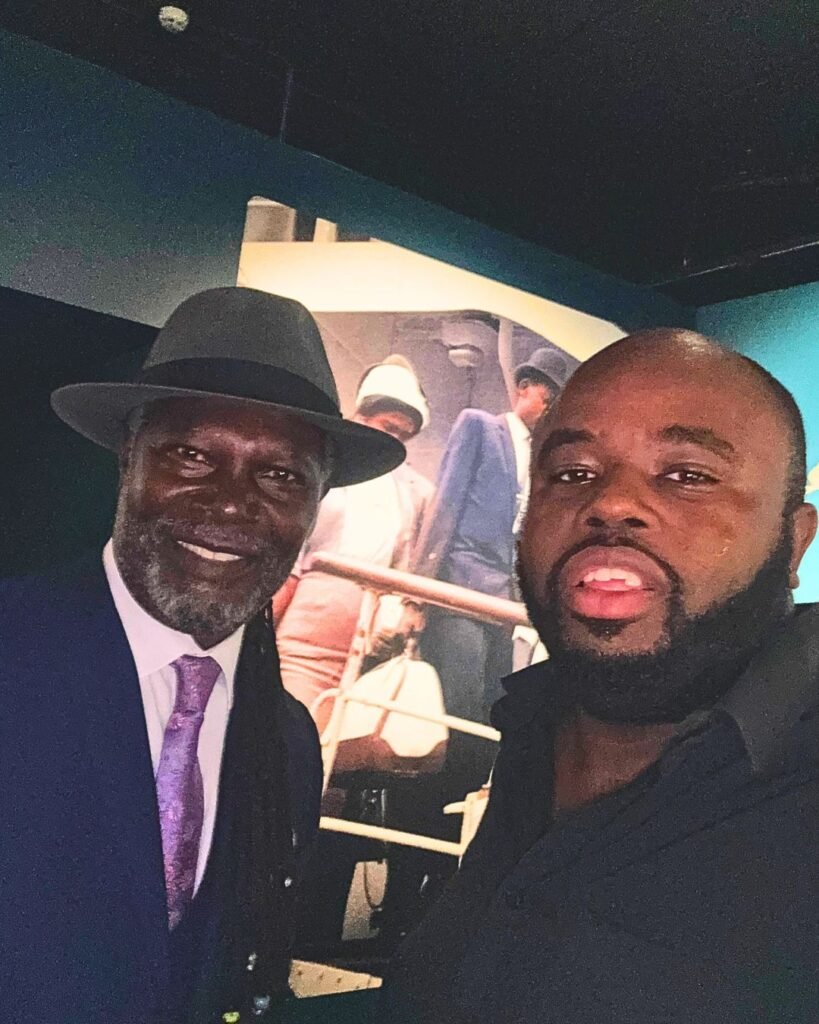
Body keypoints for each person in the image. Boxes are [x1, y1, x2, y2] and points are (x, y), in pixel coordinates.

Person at [383, 329, 819, 1023]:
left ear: (791, 540)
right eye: (573, 473)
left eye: (687, 474)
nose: (610, 503)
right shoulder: (532, 727)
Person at [0, 287, 404, 1024]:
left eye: (279, 475)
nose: (230, 502)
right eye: (191, 455)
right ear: (129, 460)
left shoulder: (284, 744)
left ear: (315, 505)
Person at [410, 346, 573, 801]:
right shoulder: (481, 427)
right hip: (460, 591)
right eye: (551, 396)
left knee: (489, 718)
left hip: (506, 607)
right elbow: (446, 504)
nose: (556, 408)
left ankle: (446, 840)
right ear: (525, 389)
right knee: (456, 713)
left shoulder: (543, 463)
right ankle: (421, 839)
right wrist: (416, 592)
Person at [274, 354, 433, 731]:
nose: (395, 440)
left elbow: (401, 566)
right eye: (388, 427)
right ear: (360, 417)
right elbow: (290, 559)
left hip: (363, 645)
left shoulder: (409, 493)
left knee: (325, 748)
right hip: (304, 635)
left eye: (404, 435)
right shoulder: (323, 474)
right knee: (279, 731)